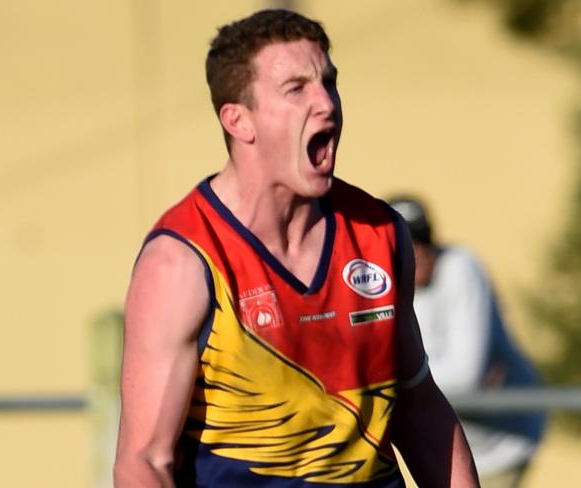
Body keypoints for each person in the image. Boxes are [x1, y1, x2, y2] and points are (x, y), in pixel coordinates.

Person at [114, 9, 479, 487]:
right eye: (297, 89)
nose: (325, 102)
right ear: (238, 120)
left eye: (328, 82)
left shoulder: (380, 234)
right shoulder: (183, 261)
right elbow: (145, 461)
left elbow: (418, 405)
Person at [389, 196, 546, 487]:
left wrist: (395, 379)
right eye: (405, 243)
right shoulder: (379, 284)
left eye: (423, 238)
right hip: (436, 451)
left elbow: (465, 376)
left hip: (498, 447)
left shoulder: (461, 268)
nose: (418, 250)